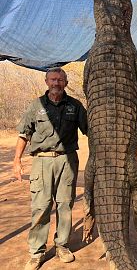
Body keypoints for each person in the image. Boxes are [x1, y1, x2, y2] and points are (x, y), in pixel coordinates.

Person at [13, 67, 88, 270]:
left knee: (65, 205)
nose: (56, 83)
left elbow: (90, 129)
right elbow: (23, 135)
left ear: (65, 82)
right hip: (42, 161)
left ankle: (62, 245)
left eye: (60, 80)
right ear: (46, 82)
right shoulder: (36, 106)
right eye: (53, 79)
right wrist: (17, 161)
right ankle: (37, 252)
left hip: (67, 161)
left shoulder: (75, 105)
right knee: (41, 206)